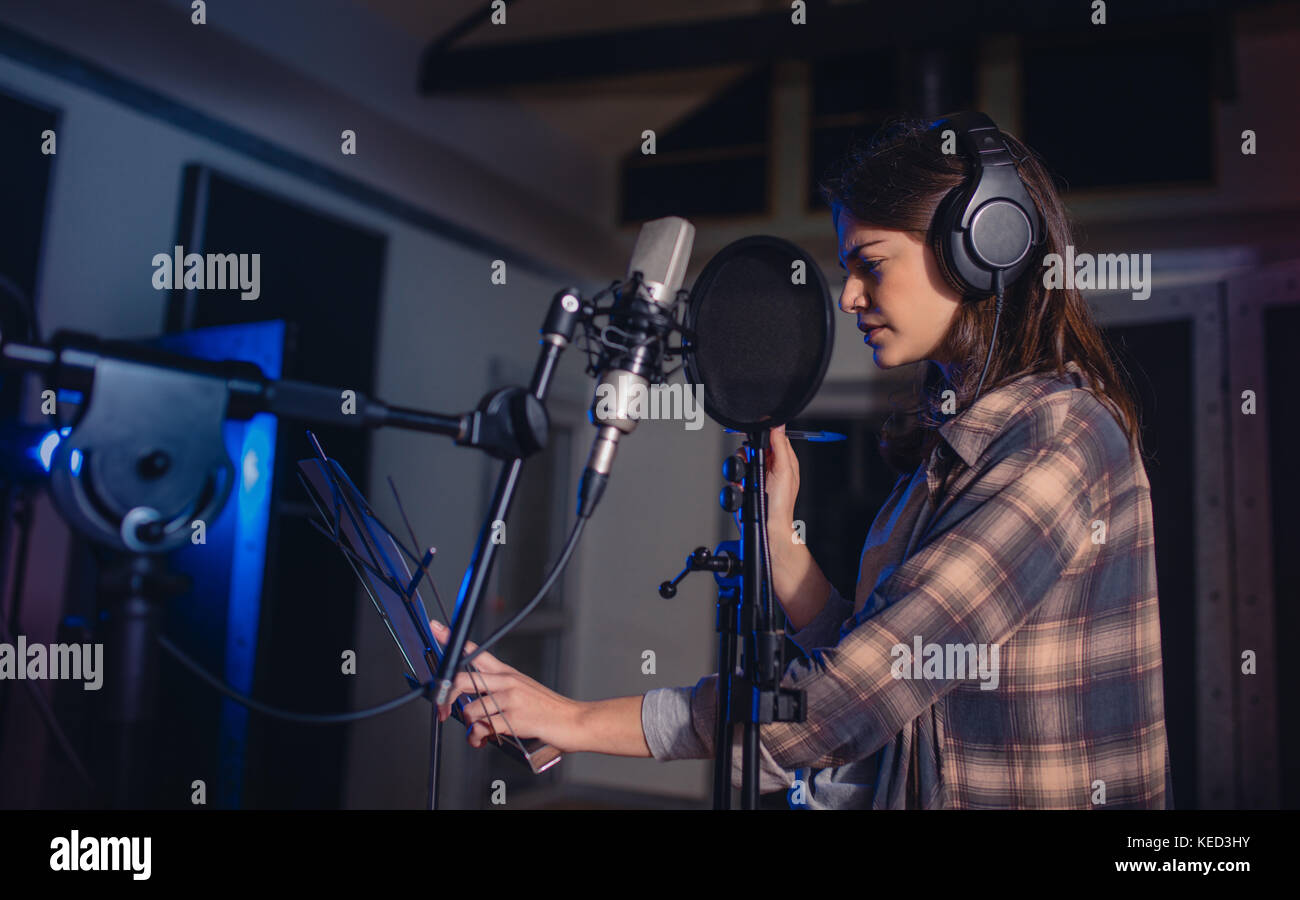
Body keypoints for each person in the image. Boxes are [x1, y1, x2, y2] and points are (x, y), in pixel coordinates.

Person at [433, 113, 1172, 809]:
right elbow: (887, 664)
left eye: (870, 264)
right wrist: (780, 541)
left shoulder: (1056, 439)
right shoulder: (960, 445)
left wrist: (572, 719)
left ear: (985, 245)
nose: (849, 295)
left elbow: (847, 701)